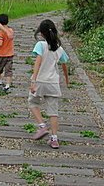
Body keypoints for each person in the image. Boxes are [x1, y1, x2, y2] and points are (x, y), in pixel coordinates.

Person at [28, 19, 69, 149]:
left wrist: (33, 80)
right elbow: (64, 65)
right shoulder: (59, 49)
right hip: (53, 82)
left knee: (33, 102)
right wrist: (67, 80)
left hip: (40, 80)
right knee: (53, 111)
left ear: (42, 33)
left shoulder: (41, 45)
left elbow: (38, 62)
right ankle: (54, 138)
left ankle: (42, 126)